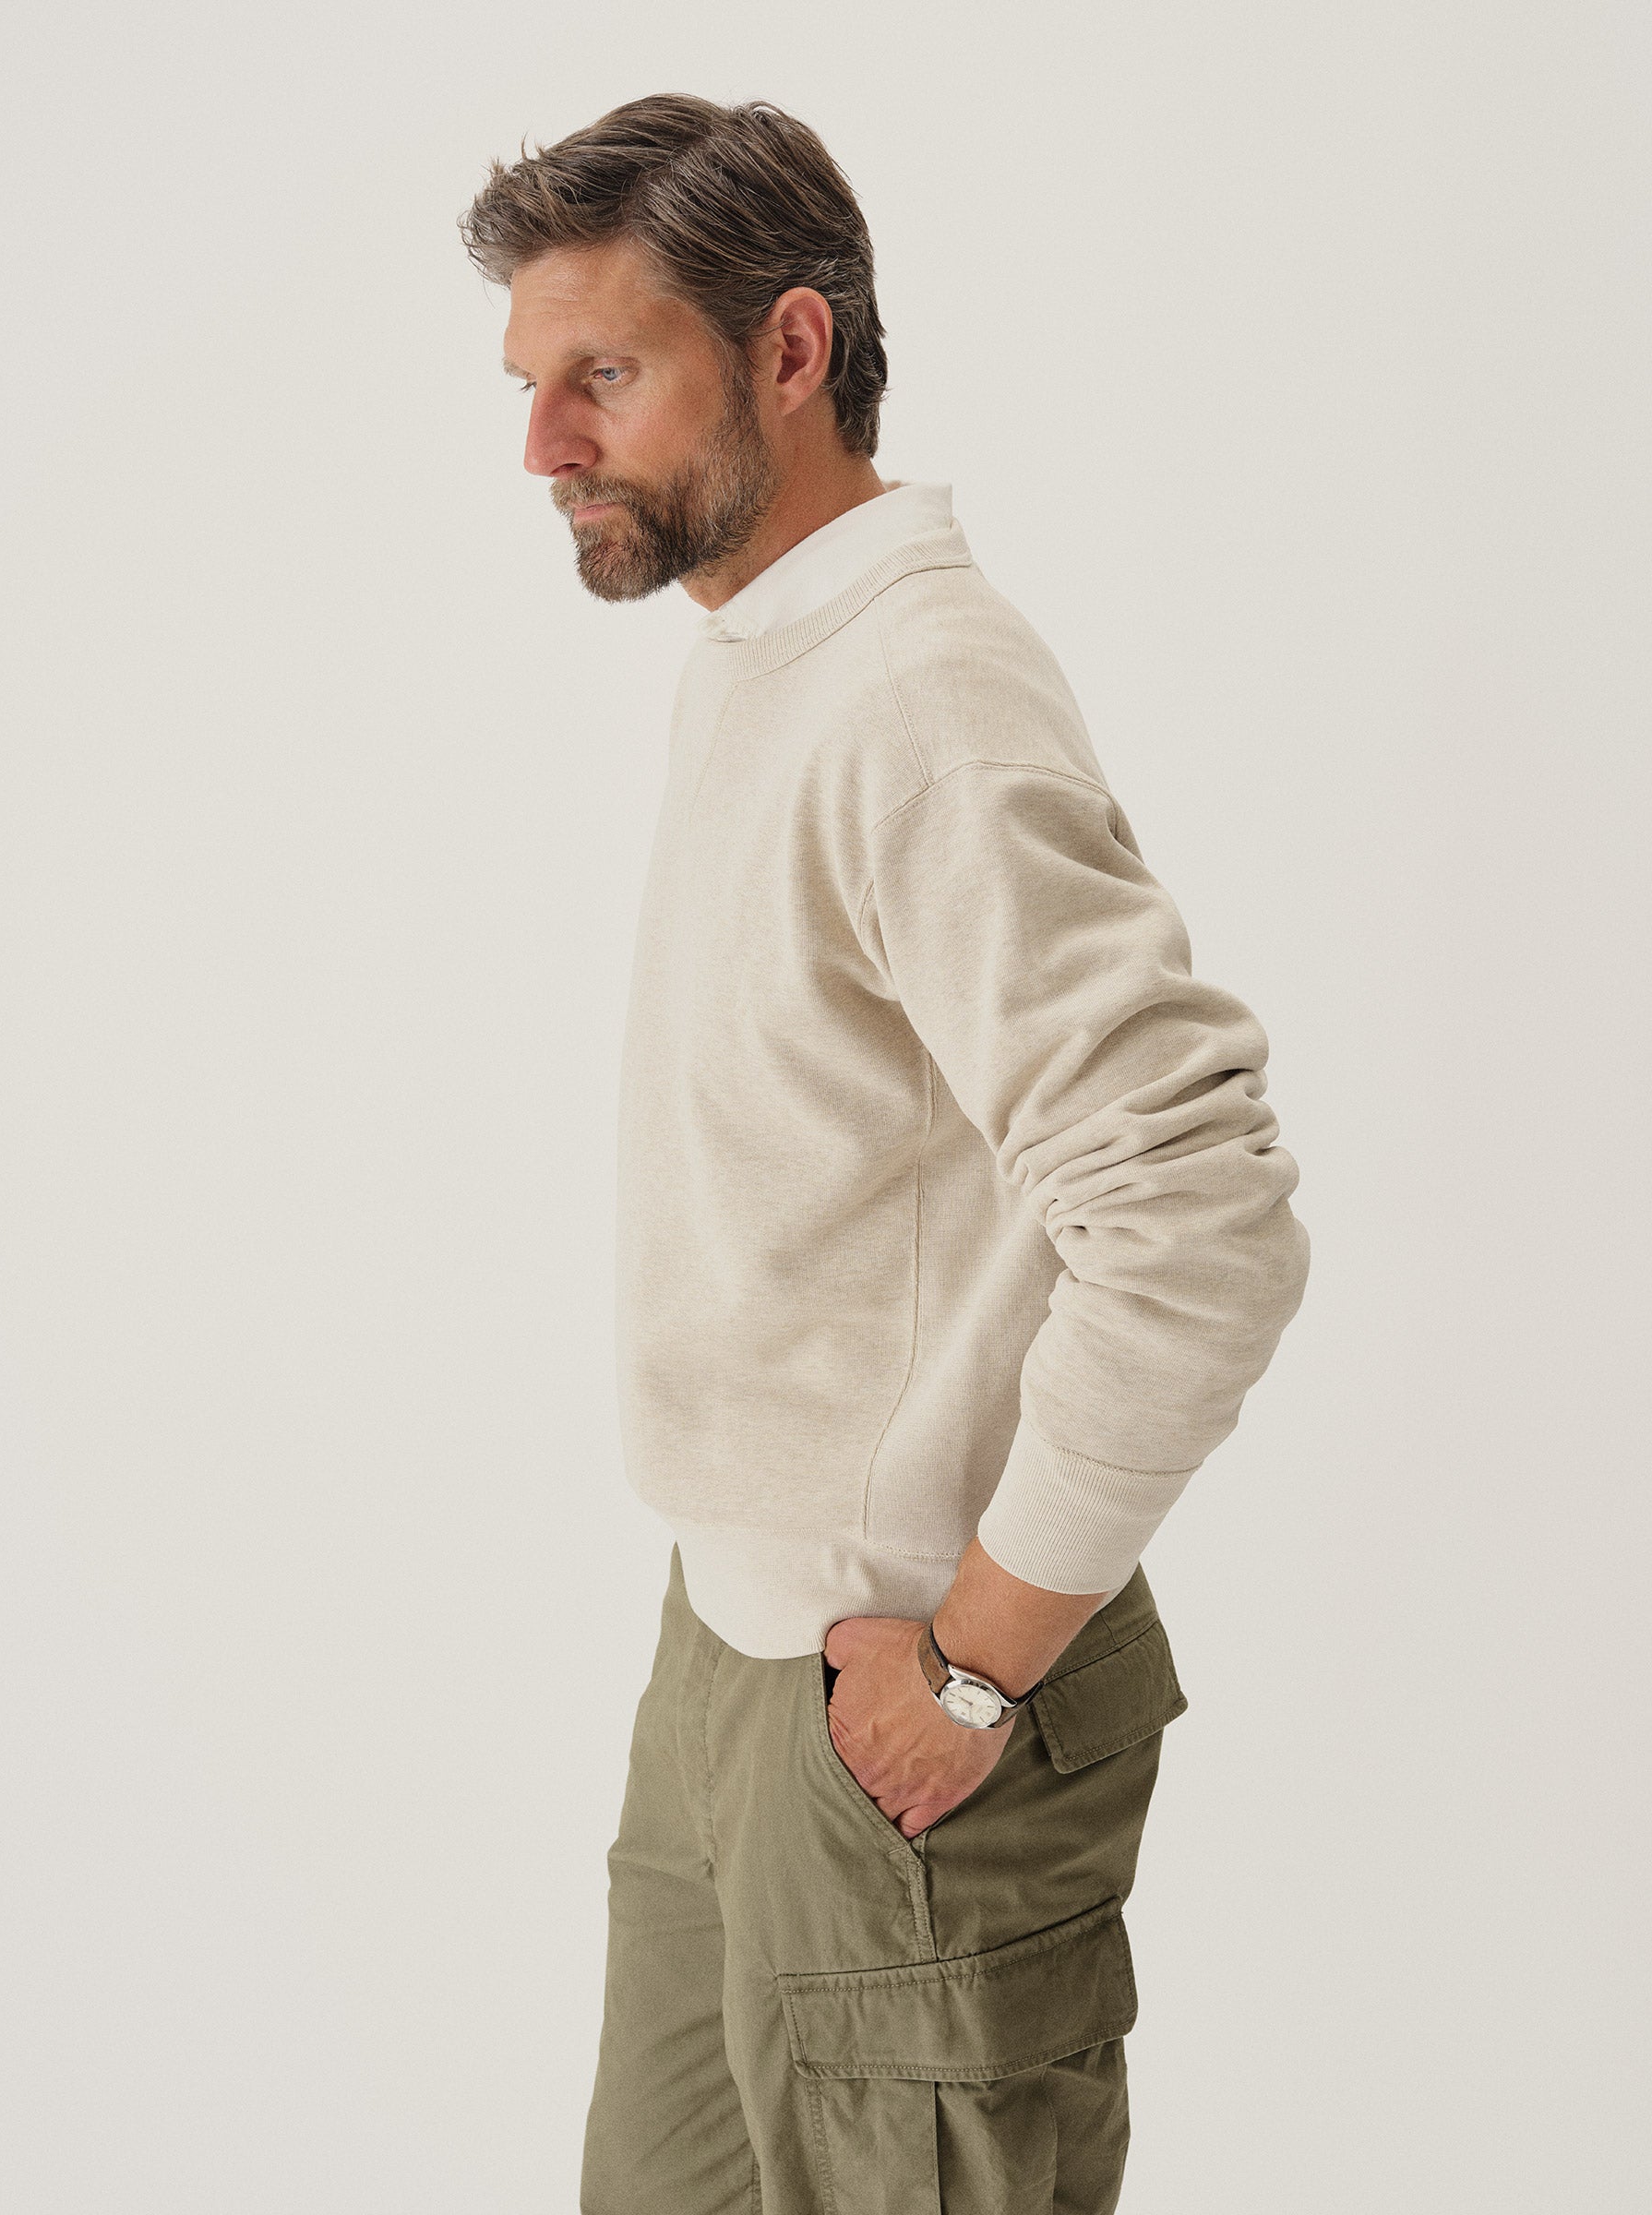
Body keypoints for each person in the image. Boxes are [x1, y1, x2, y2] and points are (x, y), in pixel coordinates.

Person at [461, 92, 1309, 2215]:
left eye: (602, 374)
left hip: (912, 1710)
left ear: (792, 350)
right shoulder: (767, 656)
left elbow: (1198, 1217)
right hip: (737, 1666)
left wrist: (977, 1667)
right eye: (531, 385)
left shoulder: (920, 700)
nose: (545, 444)